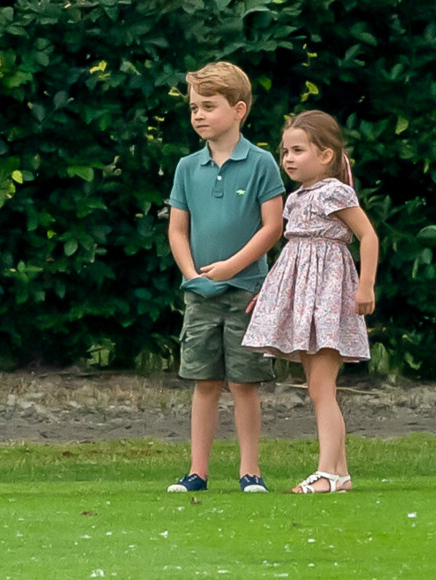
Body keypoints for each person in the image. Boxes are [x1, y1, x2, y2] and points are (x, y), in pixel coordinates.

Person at [242, 110, 379, 493]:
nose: (288, 158)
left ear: (326, 155)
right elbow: (293, 257)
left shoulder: (335, 192)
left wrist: (364, 286)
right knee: (318, 387)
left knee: (322, 388)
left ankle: (329, 473)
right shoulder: (297, 197)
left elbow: (368, 236)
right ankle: (340, 472)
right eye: (285, 150)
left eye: (298, 150)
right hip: (304, 297)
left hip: (327, 297)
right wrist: (269, 295)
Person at [166, 62, 285, 493]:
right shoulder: (186, 166)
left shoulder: (262, 163)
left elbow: (272, 227)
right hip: (200, 294)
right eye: (194, 107)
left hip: (248, 291)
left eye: (208, 106)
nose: (198, 114)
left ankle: (249, 472)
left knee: (244, 383)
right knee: (204, 382)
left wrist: (233, 267)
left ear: (238, 110)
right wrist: (191, 274)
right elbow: (178, 230)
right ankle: (197, 472)